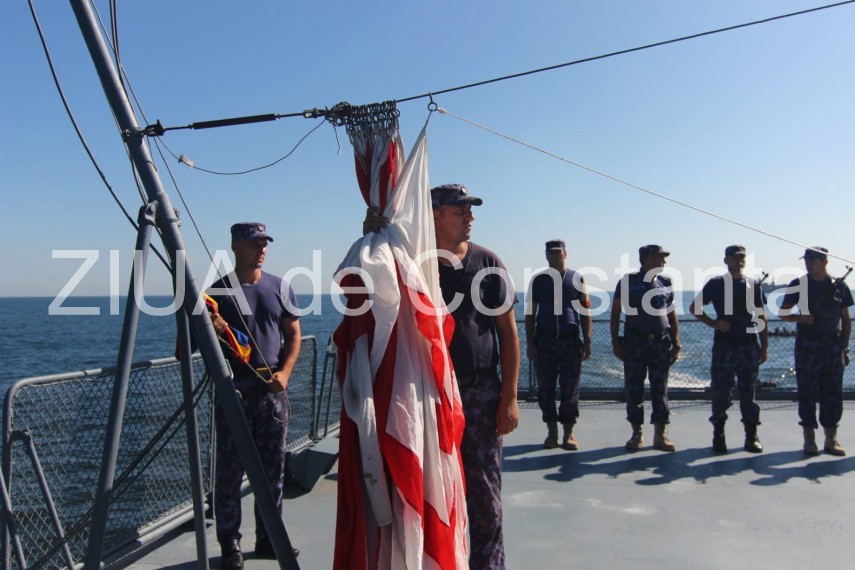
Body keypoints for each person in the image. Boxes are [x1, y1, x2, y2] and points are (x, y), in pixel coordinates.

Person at [365, 183, 520, 570]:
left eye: (471, 210)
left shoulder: (488, 264)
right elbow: (373, 277)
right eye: (460, 210)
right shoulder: (416, 264)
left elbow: (508, 333)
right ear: (434, 214)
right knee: (429, 491)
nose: (470, 216)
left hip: (480, 395)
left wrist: (510, 397)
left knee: (484, 496)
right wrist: (372, 232)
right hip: (428, 397)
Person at [208, 222, 301, 569]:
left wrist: (286, 372)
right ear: (235, 245)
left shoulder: (280, 288)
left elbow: (293, 334)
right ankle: (230, 543)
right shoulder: (216, 293)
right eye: (254, 243)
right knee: (230, 471)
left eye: (264, 243)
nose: (261, 249)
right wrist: (213, 328)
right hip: (234, 392)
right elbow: (192, 347)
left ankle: (269, 539)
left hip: (272, 392)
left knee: (272, 471)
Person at [689, 245, 768, 453]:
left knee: (748, 393)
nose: (739, 261)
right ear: (726, 260)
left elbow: (761, 317)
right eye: (735, 258)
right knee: (720, 392)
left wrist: (764, 345)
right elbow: (694, 308)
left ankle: (751, 436)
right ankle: (719, 435)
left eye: (742, 257)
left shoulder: (753, 285)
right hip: (725, 346)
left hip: (749, 345)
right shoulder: (716, 284)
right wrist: (714, 323)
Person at [779, 246, 852, 456]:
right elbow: (784, 313)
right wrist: (800, 318)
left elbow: (845, 320)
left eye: (812, 260)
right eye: (807, 260)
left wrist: (844, 348)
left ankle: (831, 438)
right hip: (807, 346)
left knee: (833, 393)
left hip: (832, 346)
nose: (808, 264)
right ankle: (809, 439)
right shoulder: (798, 285)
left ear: (824, 262)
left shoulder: (839, 286)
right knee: (807, 391)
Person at [610, 244, 680, 452]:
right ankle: (636, 434)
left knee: (661, 390)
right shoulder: (628, 282)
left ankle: (660, 435)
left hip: (660, 344)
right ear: (647, 259)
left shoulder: (665, 282)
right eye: (660, 257)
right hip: (635, 344)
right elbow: (615, 314)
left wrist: (676, 342)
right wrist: (616, 343)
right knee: (634, 390)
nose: (664, 261)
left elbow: (672, 315)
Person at [525, 239, 592, 450]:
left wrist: (587, 341)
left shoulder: (578, 279)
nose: (554, 256)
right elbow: (530, 313)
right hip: (544, 341)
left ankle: (569, 432)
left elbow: (584, 311)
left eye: (557, 252)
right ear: (546, 255)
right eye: (550, 253)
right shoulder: (538, 280)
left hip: (570, 341)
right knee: (545, 388)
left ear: (565, 253)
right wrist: (530, 343)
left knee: (570, 389)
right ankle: (552, 431)